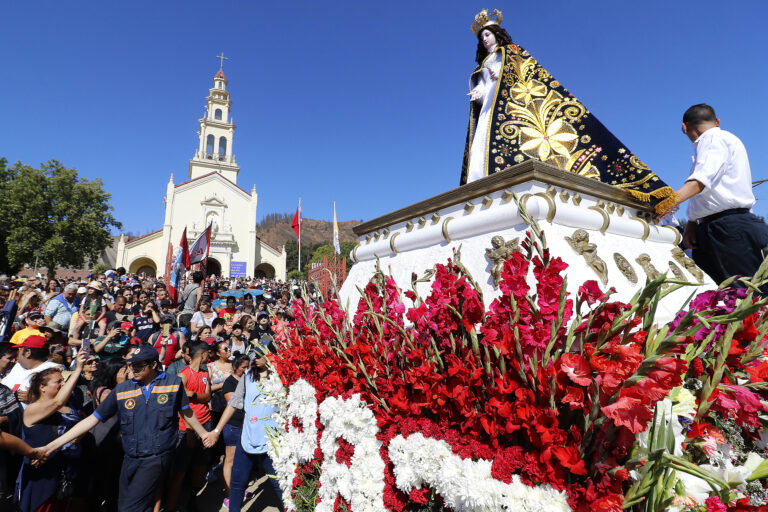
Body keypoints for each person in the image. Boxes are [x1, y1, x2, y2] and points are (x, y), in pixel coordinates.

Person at [458, 9, 674, 214]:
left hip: (512, 107)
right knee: (482, 147)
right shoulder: (483, 64)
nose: (485, 39)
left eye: (487, 34)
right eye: (482, 37)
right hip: (490, 111)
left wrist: (503, 74)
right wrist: (479, 90)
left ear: (497, 34)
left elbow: (523, 77)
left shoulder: (512, 52)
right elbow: (486, 88)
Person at [42, 345, 214, 512]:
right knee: (127, 503)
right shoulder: (123, 390)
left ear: (153, 365)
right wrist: (51, 446)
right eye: (131, 365)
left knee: (130, 507)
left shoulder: (173, 384)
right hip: (130, 457)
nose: (133, 369)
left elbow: (186, 412)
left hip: (156, 456)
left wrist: (203, 433)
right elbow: (92, 420)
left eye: (139, 365)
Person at [657, 104, 768, 285]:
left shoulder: (712, 138)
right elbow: (706, 189)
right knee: (724, 294)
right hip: (721, 226)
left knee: (742, 295)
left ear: (684, 127)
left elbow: (701, 181)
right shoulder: (720, 140)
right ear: (717, 121)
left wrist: (665, 203)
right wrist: (692, 223)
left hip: (727, 228)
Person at [207, 343, 283, 512]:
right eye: (253, 355)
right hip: (248, 438)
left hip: (272, 441)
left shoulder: (280, 376)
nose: (254, 359)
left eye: (259, 355)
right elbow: (233, 404)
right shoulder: (247, 376)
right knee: (237, 483)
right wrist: (217, 431)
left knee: (279, 484)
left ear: (270, 356)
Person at [16, 351, 87, 512]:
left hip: (67, 474)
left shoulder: (69, 405)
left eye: (64, 380)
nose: (63, 384)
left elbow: (81, 428)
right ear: (42, 387)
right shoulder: (33, 409)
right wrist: (78, 370)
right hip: (43, 478)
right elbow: (57, 401)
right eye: (58, 381)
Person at [165, 342, 212, 511]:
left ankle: (191, 497)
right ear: (202, 355)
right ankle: (171, 506)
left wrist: (193, 394)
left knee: (199, 465)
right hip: (186, 428)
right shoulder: (182, 376)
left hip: (206, 423)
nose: (209, 356)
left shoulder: (206, 372)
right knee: (179, 472)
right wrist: (189, 431)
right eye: (208, 353)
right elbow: (179, 407)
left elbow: (207, 396)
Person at [219, 354, 249, 507]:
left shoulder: (247, 379)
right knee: (230, 461)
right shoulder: (229, 383)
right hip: (232, 425)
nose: (246, 369)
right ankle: (229, 494)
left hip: (243, 425)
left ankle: (238, 490)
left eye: (247, 366)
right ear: (235, 367)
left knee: (239, 461)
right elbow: (234, 403)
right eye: (243, 367)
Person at [1, 335, 61, 404]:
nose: (18, 353)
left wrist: (36, 398)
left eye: (20, 349)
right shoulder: (19, 365)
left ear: (27, 353)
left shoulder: (54, 370)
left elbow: (61, 400)